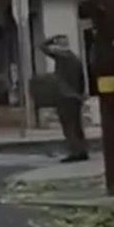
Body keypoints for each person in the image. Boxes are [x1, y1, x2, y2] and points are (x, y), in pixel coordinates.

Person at [38, 35, 89, 163]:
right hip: (75, 97)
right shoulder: (76, 59)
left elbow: (42, 47)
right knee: (77, 126)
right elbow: (82, 79)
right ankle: (82, 151)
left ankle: (75, 152)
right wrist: (80, 95)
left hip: (64, 96)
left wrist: (52, 39)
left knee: (68, 126)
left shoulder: (61, 57)